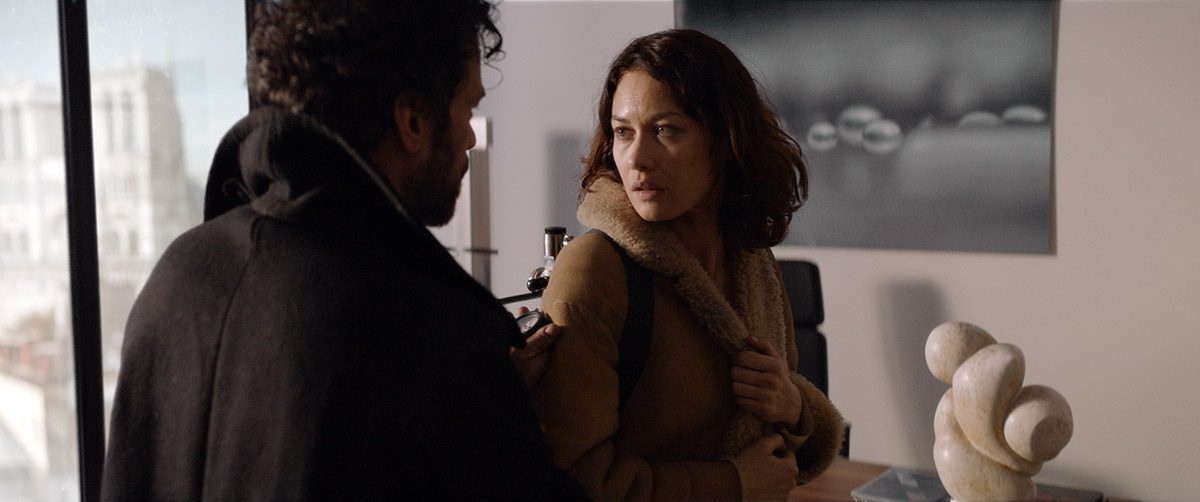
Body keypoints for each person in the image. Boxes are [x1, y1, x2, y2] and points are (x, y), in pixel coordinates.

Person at [101, 1, 582, 499]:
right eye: (468, 109)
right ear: (413, 121)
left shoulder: (178, 275)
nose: (468, 139)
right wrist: (484, 398)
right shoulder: (423, 327)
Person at [530, 29, 844, 501]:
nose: (637, 159)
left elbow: (775, 458)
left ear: (725, 141)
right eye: (623, 132)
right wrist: (730, 485)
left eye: (665, 130)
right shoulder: (594, 270)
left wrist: (793, 406)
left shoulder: (753, 262)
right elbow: (570, 480)